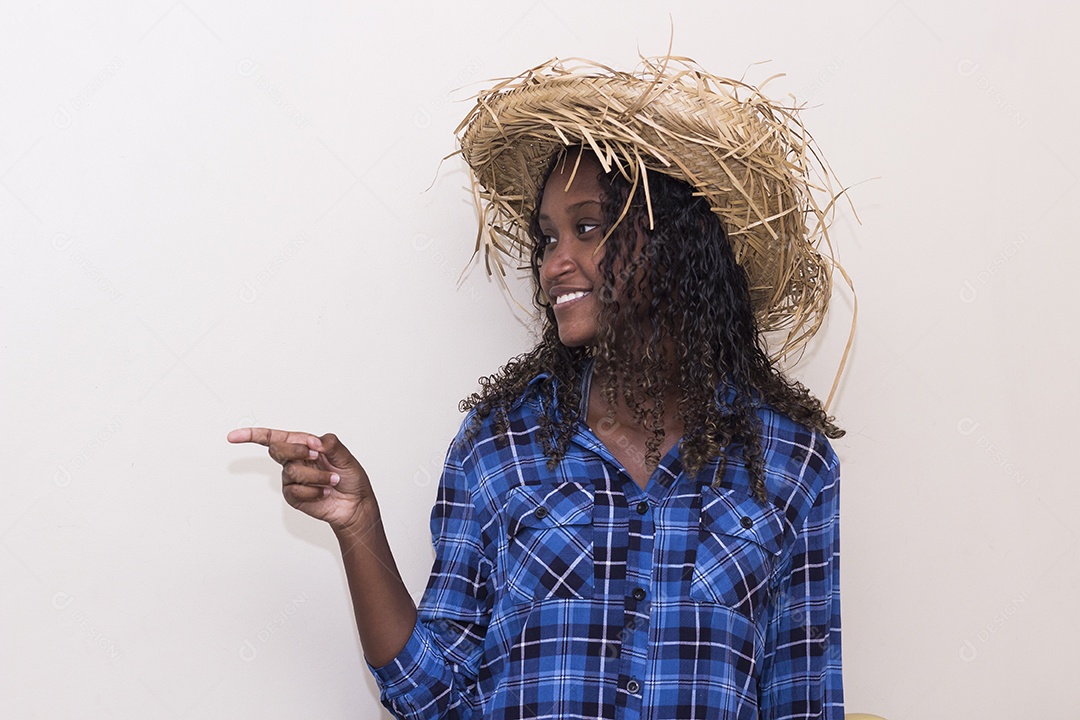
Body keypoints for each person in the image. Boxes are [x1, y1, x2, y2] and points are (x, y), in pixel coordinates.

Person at [228, 55, 849, 719]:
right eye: (547, 236)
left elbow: (803, 702)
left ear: (677, 241)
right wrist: (359, 527)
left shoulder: (793, 465)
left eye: (587, 228)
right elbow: (433, 699)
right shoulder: (500, 446)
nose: (557, 262)